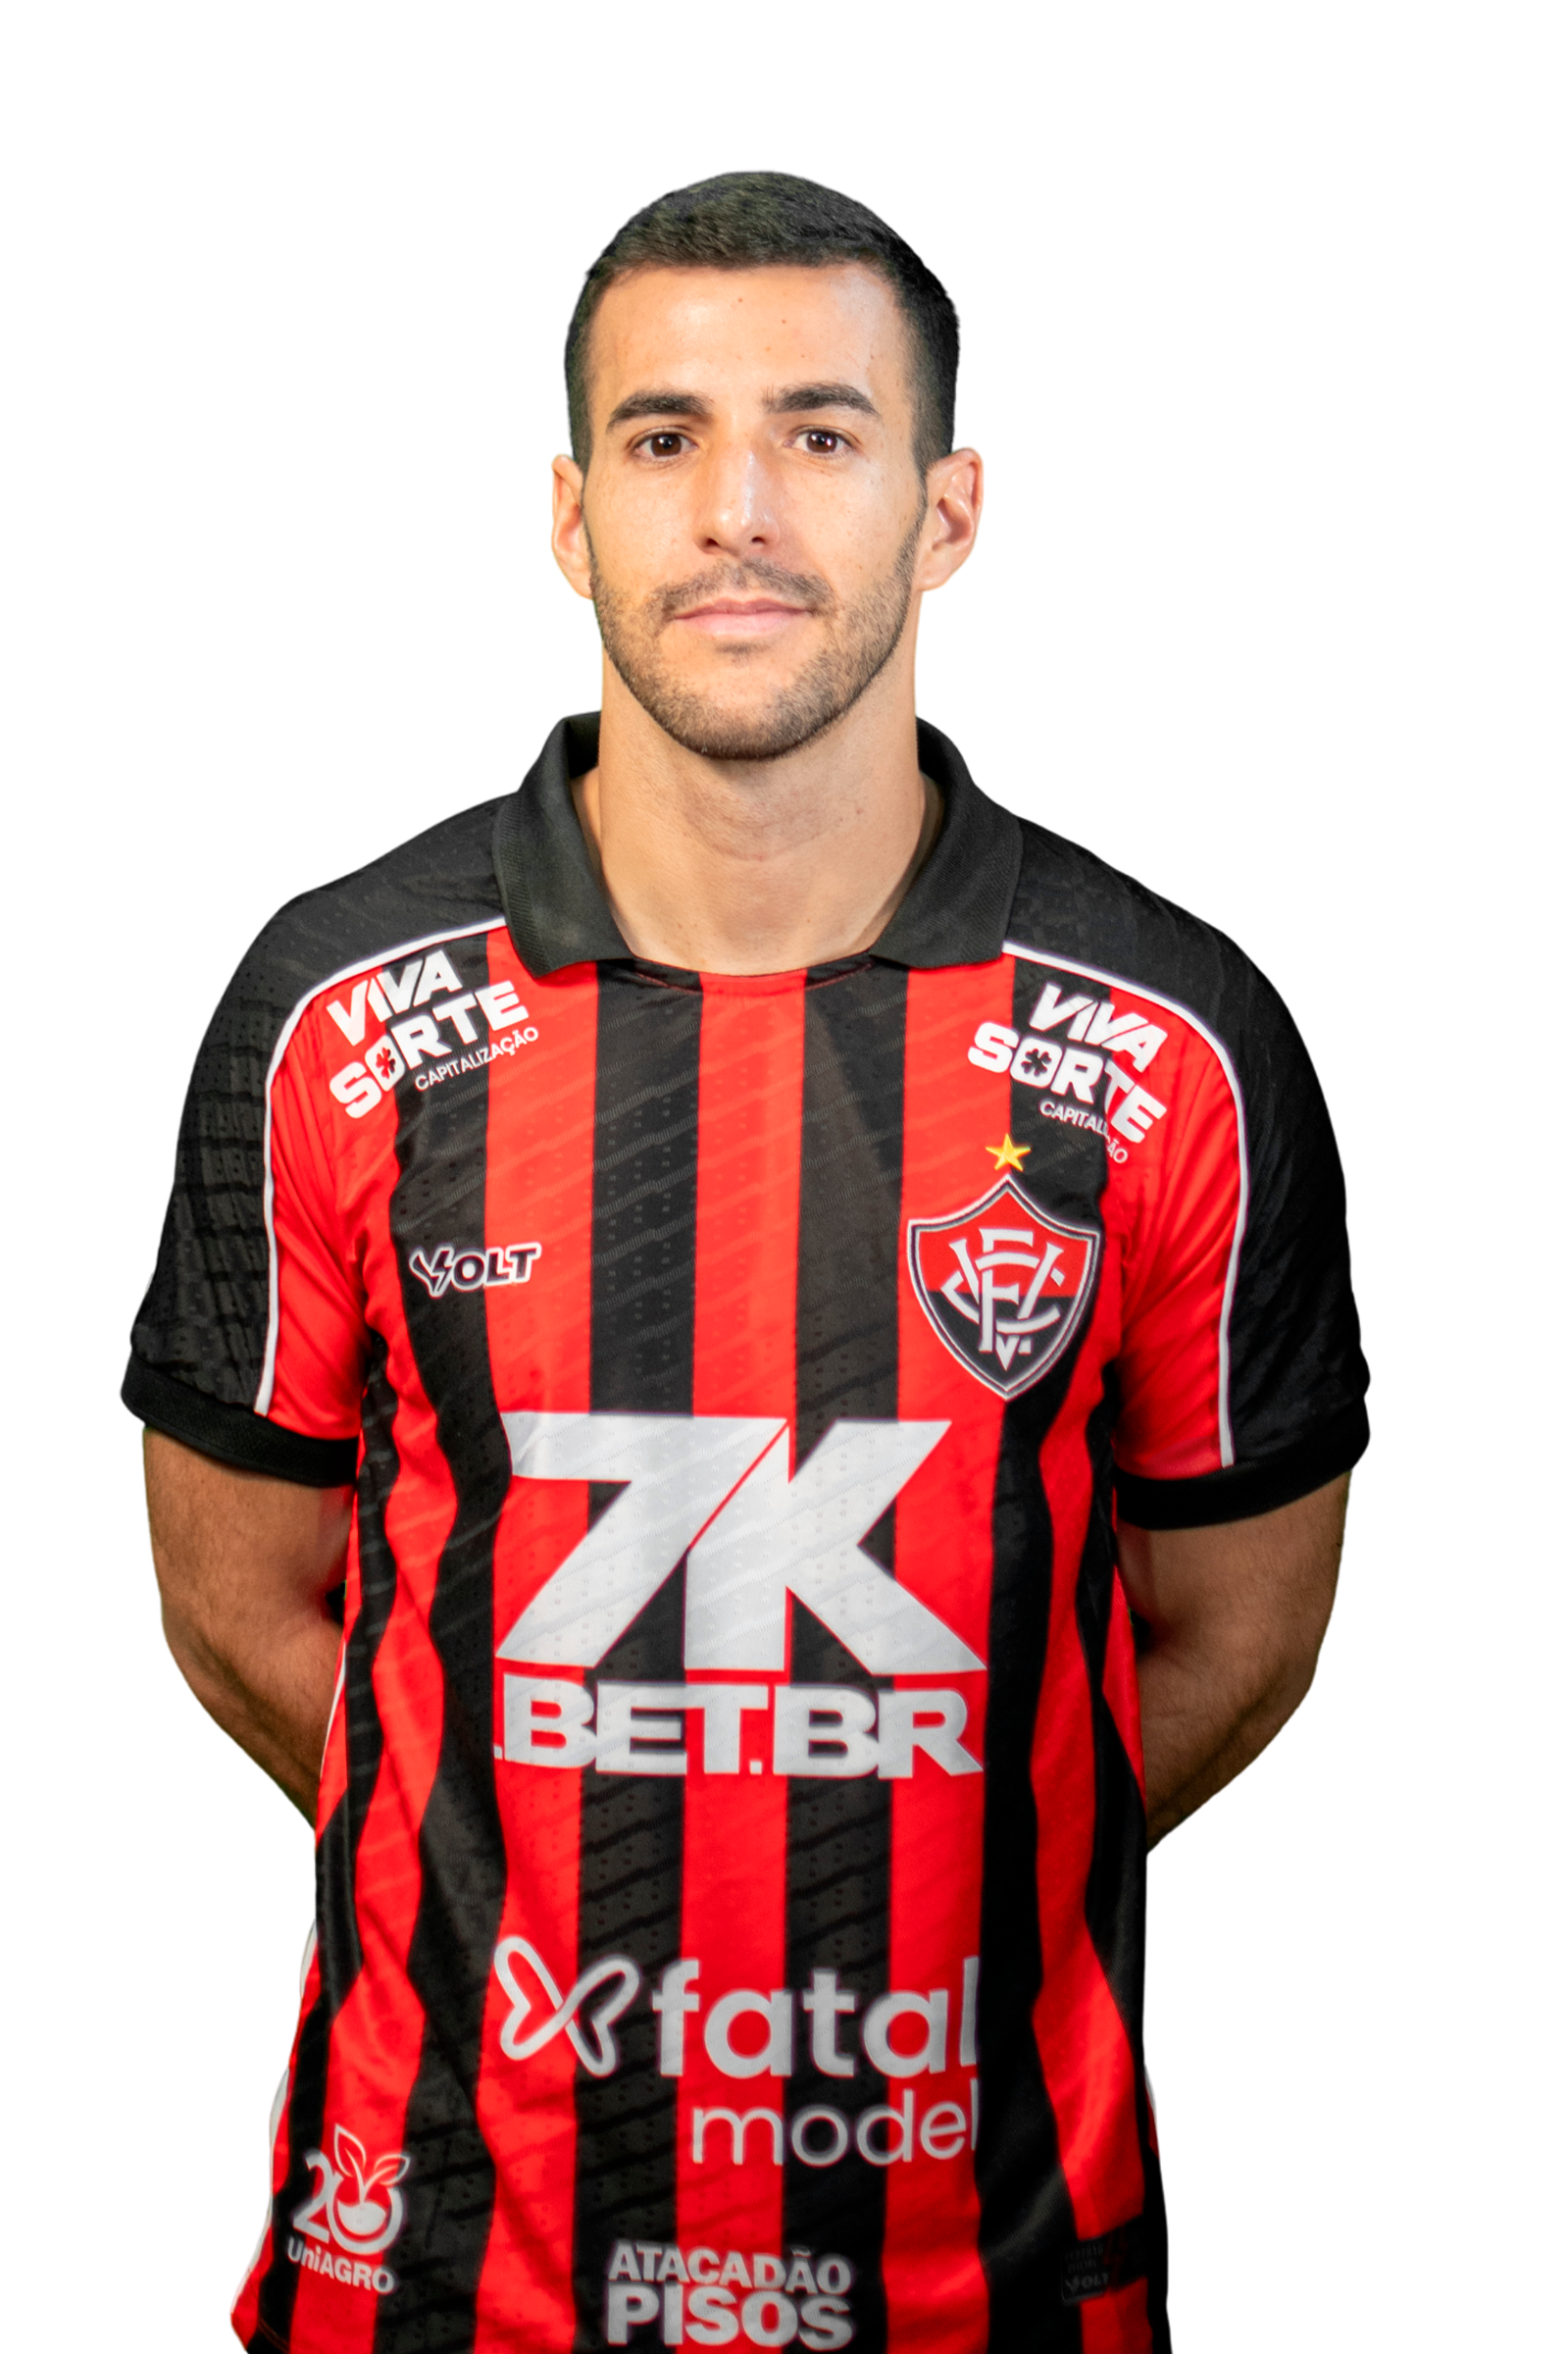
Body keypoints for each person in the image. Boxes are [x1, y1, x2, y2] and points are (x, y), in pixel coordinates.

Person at [125, 174, 1362, 2354]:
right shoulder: (331, 1015)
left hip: (991, 2278)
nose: (737, 511)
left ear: (946, 514)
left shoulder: (1173, 1044)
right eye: (663, 436)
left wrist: (925, 1851)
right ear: (571, 521)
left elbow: (1235, 1631)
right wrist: (513, 1822)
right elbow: (238, 1601)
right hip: (424, 2278)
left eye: (819, 431)